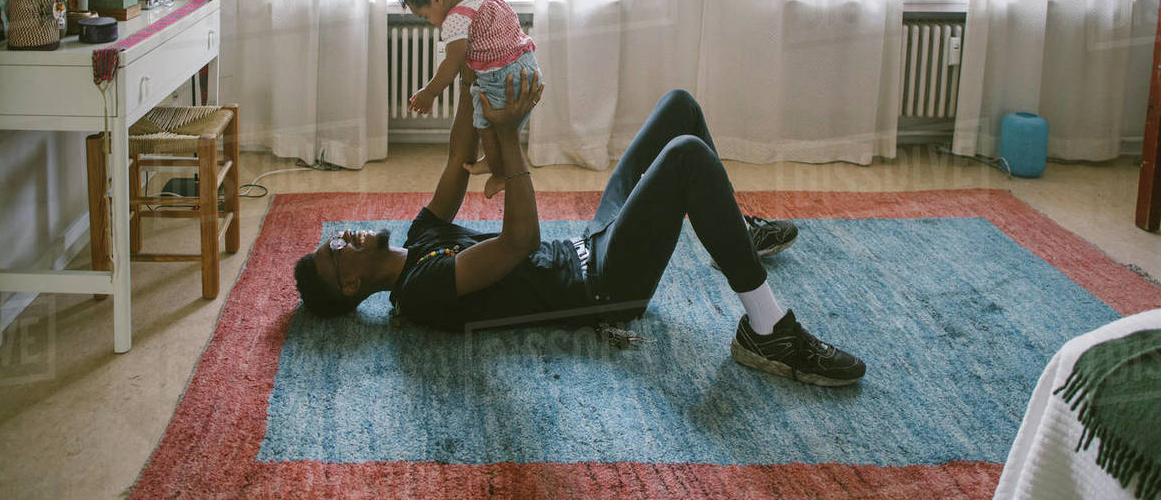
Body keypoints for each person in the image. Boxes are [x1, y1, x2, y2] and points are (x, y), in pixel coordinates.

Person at [293, 72, 866, 387]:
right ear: (350, 287)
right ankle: (768, 330)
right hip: (608, 288)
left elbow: (454, 160)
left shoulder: (418, 239)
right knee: (687, 155)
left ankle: (731, 233)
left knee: (679, 106)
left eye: (336, 236)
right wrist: (511, 138)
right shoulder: (421, 292)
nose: (346, 235)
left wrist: (477, 75)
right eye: (337, 250)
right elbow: (517, 243)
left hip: (590, 243)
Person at [398, 0, 538, 199]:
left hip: (500, 76)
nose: (431, 21)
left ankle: (498, 174)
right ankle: (491, 161)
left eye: (425, 15)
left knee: (484, 124)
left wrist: (429, 93)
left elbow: (454, 61)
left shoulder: (455, 19)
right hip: (525, 64)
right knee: (492, 126)